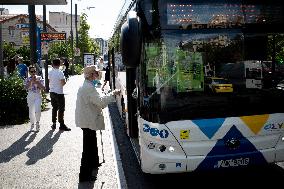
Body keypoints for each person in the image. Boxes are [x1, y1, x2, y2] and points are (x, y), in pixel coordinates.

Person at [75, 65, 120, 182]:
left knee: (91, 143)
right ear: (91, 75)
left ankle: (94, 163)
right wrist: (113, 94)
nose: (97, 75)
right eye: (95, 73)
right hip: (88, 120)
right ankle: (84, 175)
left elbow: (97, 99)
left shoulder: (87, 85)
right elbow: (100, 102)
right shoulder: (89, 88)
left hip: (86, 119)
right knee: (88, 148)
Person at [48, 58, 71, 131]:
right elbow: (63, 83)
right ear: (59, 64)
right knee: (61, 109)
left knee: (54, 108)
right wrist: (65, 81)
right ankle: (61, 125)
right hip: (59, 93)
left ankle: (54, 124)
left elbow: (49, 81)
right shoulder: (60, 72)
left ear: (53, 64)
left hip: (52, 92)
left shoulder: (50, 72)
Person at [24, 65, 45, 131]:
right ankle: (32, 124)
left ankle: (37, 123)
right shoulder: (27, 79)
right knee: (31, 111)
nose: (33, 72)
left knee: (37, 110)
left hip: (37, 95)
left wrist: (36, 82)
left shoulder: (39, 78)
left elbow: (43, 88)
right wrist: (31, 81)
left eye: (35, 71)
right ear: (29, 72)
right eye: (32, 71)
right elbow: (25, 88)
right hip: (30, 95)